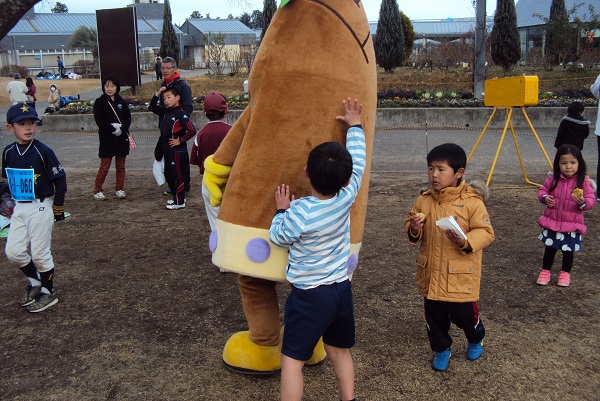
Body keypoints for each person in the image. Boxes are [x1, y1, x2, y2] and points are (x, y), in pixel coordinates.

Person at [269, 98, 365, 401]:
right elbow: (358, 162)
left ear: (307, 173)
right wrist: (355, 126)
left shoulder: (300, 212)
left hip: (310, 296)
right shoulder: (347, 196)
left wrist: (282, 210)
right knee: (338, 349)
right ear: (347, 180)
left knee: (292, 361)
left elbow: (279, 237)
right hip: (340, 290)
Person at [405, 143, 495, 372]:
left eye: (441, 169)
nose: (434, 174)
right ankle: (441, 349)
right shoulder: (424, 200)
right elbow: (411, 229)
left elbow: (485, 232)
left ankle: (476, 337)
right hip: (431, 273)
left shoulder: (472, 202)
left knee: (464, 315)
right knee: (434, 319)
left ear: (459, 173)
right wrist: (414, 227)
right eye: (430, 168)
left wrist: (465, 242)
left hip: (459, 276)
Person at [2, 103, 67, 313]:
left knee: (40, 253)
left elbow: (60, 178)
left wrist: (58, 206)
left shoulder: (42, 151)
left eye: (32, 123)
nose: (28, 128)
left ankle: (48, 292)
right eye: (22, 124)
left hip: (40, 206)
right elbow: (8, 179)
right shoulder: (9, 151)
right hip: (19, 207)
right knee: (13, 252)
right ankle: (35, 281)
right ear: (10, 128)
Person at [536, 144, 596, 287]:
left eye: (572, 163)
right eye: (564, 163)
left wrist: (583, 203)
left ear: (579, 163)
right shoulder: (553, 179)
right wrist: (545, 198)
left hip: (571, 225)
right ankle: (545, 271)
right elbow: (542, 191)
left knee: (567, 252)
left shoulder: (583, 183)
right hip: (553, 222)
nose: (568, 166)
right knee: (549, 249)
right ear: (558, 164)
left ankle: (565, 273)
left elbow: (591, 200)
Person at [150, 56, 193, 196]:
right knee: (165, 158)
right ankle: (172, 184)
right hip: (165, 128)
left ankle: (184, 185)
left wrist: (179, 123)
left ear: (175, 68)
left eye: (168, 68)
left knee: (180, 160)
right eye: (162, 68)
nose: (165, 71)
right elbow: (160, 108)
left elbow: (188, 107)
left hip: (177, 129)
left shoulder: (182, 86)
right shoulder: (164, 84)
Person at [149, 86, 195, 209]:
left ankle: (180, 201)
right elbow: (152, 107)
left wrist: (179, 140)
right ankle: (175, 198)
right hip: (167, 150)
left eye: (169, 97)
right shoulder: (166, 112)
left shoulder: (181, 114)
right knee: (170, 175)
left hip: (178, 151)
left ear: (177, 97)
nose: (166, 100)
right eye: (164, 98)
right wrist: (157, 94)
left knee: (178, 176)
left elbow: (191, 130)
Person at [190, 92, 231, 229]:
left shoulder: (201, 134)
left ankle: (219, 249)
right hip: (231, 181)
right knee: (233, 222)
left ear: (204, 112)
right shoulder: (232, 132)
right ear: (225, 111)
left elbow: (196, 160)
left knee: (216, 224)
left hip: (209, 181)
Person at [92, 76, 132, 201]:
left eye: (112, 86)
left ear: (117, 87)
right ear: (103, 87)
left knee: (121, 166)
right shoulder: (100, 102)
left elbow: (127, 118)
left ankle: (119, 189)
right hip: (107, 138)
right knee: (104, 166)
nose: (109, 89)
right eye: (107, 86)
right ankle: (97, 190)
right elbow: (100, 121)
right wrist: (112, 129)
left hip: (121, 138)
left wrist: (122, 129)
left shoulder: (121, 101)